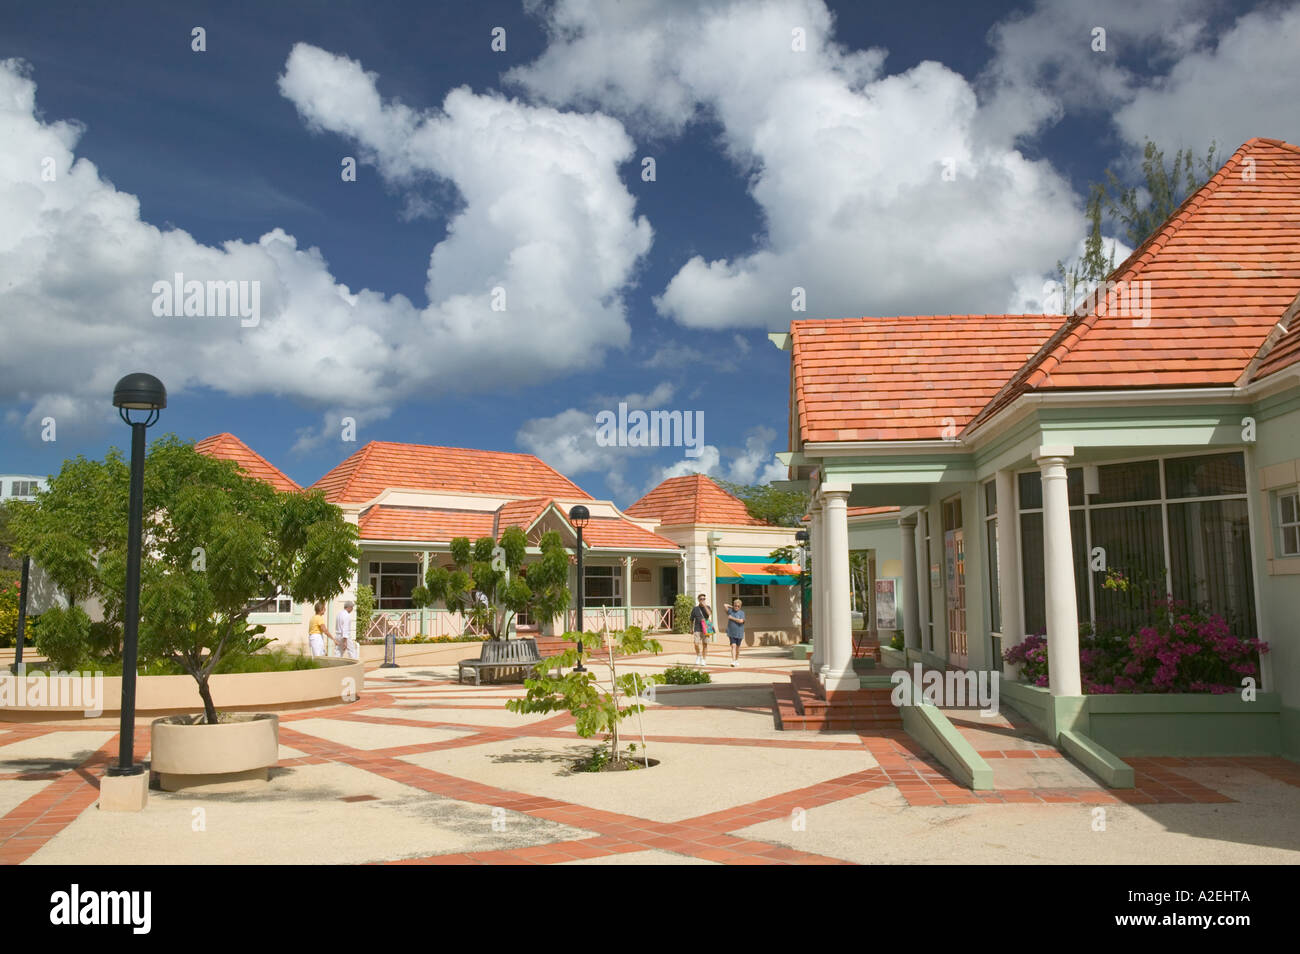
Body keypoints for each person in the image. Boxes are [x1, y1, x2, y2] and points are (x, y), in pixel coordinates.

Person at [689, 593, 712, 666]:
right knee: (696, 643)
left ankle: (704, 659)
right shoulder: (695, 609)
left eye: (704, 599)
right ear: (698, 600)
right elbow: (691, 619)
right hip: (697, 628)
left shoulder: (707, 607)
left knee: (705, 644)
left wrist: (705, 606)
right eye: (701, 599)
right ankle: (698, 655)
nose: (702, 600)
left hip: (706, 627)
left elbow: (709, 614)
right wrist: (690, 628)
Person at [725, 598, 746, 668]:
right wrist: (732, 607)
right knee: (733, 646)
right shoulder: (731, 611)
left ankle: (736, 660)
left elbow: (741, 621)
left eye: (738, 606)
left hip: (739, 632)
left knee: (738, 648)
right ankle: (733, 661)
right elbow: (725, 605)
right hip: (731, 632)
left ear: (740, 606)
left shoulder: (742, 613)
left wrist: (732, 618)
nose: (736, 607)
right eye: (735, 605)